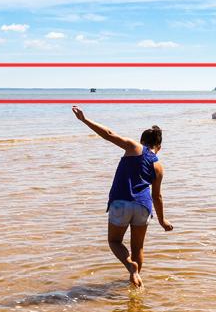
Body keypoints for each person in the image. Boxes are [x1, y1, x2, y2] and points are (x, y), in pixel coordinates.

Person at [72, 106, 174, 287]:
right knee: (138, 248)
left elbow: (109, 134)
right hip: (143, 206)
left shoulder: (135, 147)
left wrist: (85, 120)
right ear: (159, 147)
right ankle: (135, 284)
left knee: (114, 241)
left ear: (142, 140)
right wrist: (162, 220)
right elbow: (157, 196)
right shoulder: (159, 167)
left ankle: (130, 267)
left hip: (121, 202)